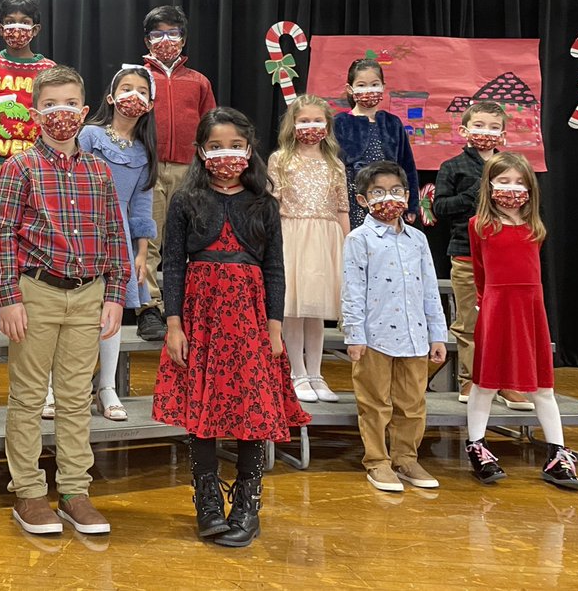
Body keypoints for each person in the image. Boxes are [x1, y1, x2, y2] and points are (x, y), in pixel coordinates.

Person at [153, 107, 309, 547]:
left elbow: (275, 268)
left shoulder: (264, 204)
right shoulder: (186, 201)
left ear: (249, 149)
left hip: (250, 320)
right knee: (200, 412)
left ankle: (247, 503)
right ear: (201, 151)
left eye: (236, 146)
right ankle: (206, 502)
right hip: (200, 316)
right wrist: (174, 325)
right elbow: (173, 267)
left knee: (250, 411)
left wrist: (274, 328)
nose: (227, 154)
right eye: (216, 146)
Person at [0, 65, 129, 536]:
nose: (60, 113)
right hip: (36, 293)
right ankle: (28, 493)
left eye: (70, 104)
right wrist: (7, 298)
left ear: (85, 111)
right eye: (50, 105)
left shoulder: (99, 171)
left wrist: (114, 295)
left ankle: (74, 491)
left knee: (74, 399)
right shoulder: (19, 167)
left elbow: (114, 236)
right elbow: (2, 235)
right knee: (28, 398)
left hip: (88, 296)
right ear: (35, 113)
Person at [44, 64, 157, 422]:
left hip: (118, 233)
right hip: (79, 225)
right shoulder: (91, 135)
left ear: (151, 103)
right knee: (64, 309)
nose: (133, 96)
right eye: (126, 88)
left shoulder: (143, 152)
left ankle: (106, 386)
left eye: (141, 91)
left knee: (113, 312)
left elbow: (141, 205)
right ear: (111, 97)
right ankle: (51, 388)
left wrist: (140, 253)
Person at [464, 152, 578, 491]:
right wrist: (486, 306)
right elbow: (480, 273)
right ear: (489, 186)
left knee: (542, 387)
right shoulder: (480, 226)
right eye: (504, 181)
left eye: (519, 182)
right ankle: (477, 446)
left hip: (530, 309)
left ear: (530, 188)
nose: (512, 189)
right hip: (497, 308)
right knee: (485, 383)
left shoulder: (535, 228)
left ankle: (558, 454)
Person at [342, 161, 447, 493]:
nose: (390, 197)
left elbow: (430, 288)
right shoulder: (359, 239)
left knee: (413, 404)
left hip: (415, 335)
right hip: (375, 337)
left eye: (397, 191)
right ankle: (377, 461)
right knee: (374, 402)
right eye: (379, 192)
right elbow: (352, 289)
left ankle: (406, 458)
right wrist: (355, 335)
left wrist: (437, 334)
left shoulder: (417, 239)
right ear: (363, 200)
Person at [0, 0, 57, 334]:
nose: (17, 28)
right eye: (10, 22)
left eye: (24, 22)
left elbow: (52, 112)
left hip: (35, 165)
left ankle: (25, 300)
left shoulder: (47, 69)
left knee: (32, 233)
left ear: (36, 28)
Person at [433, 101, 531, 409]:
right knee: (471, 322)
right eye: (479, 126)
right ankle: (471, 380)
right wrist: (474, 192)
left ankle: (507, 384)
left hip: (507, 258)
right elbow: (440, 208)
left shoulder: (512, 168)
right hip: (465, 255)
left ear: (503, 134)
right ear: (464, 130)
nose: (485, 133)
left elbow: (529, 207)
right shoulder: (452, 167)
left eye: (493, 127)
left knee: (508, 323)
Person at [136, 5, 216, 342]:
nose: (166, 40)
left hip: (188, 171)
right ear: (147, 39)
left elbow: (211, 126)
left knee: (184, 240)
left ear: (184, 39)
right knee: (149, 241)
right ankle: (148, 308)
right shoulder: (138, 78)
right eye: (158, 34)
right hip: (149, 170)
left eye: (173, 33)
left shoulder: (198, 81)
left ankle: (181, 305)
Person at [267, 94, 349, 403]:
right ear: (293, 124)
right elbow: (273, 205)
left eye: (317, 121)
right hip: (292, 236)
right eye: (304, 121)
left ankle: (316, 372)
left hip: (326, 239)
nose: (311, 127)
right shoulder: (281, 160)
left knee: (316, 312)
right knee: (294, 309)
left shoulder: (335, 163)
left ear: (327, 126)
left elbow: (342, 208)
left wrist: (348, 244)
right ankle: (296, 372)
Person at [333, 59, 420, 229]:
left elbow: (407, 165)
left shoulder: (392, 122)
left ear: (383, 87)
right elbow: (333, 166)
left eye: (374, 84)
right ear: (350, 89)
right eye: (362, 85)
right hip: (354, 199)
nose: (369, 90)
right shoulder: (340, 122)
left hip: (388, 197)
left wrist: (412, 203)